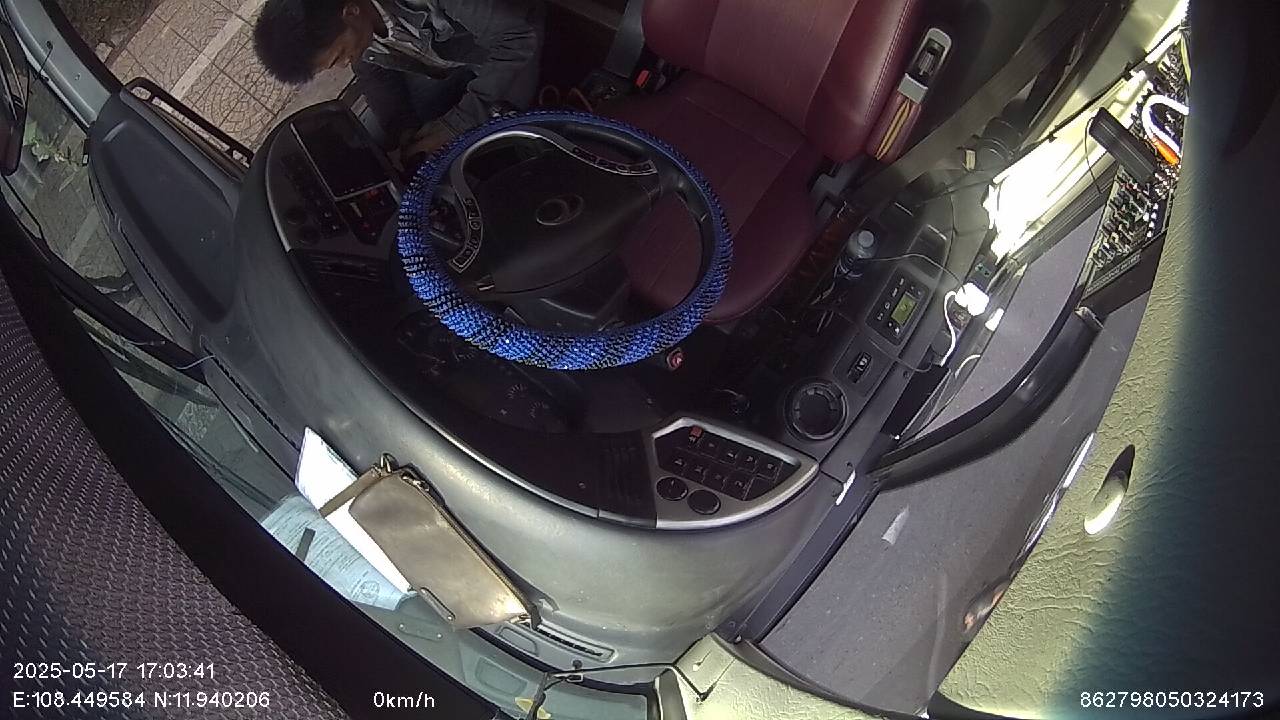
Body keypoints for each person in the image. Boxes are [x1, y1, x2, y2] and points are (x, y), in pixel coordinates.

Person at [253, 0, 543, 163]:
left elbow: (516, 37)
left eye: (339, 56)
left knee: (508, 126)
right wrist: (403, 129)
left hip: (516, 37)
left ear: (351, 12)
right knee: (422, 133)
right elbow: (373, 74)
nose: (344, 65)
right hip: (454, 56)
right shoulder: (357, 28)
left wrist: (458, 122)